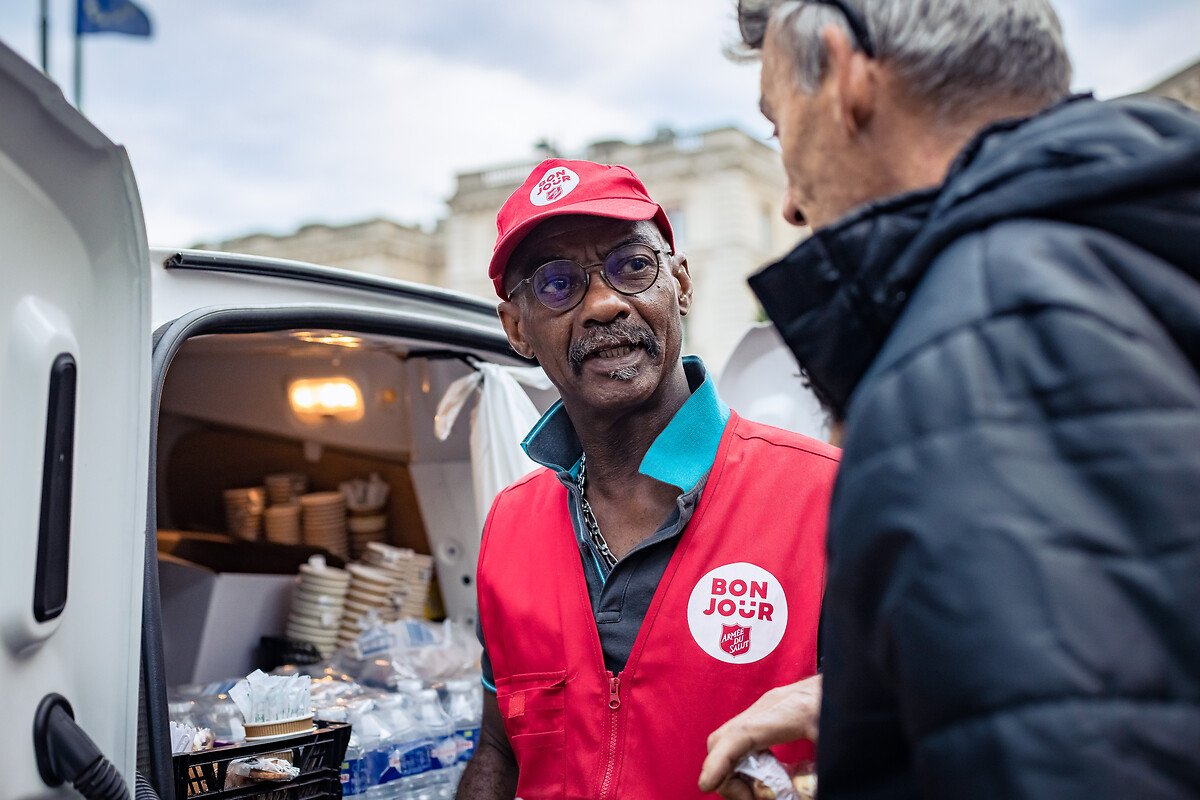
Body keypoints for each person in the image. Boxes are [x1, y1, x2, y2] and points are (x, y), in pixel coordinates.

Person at [700, 0, 1200, 798]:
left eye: (777, 125)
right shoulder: (1135, 247)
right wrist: (907, 700)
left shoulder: (981, 341)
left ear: (847, 76)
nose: (790, 201)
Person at [455, 158, 840, 800]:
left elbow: (929, 723)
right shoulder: (509, 526)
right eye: (556, 284)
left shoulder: (825, 497)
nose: (606, 304)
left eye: (633, 266)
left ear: (681, 285)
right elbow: (501, 748)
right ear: (517, 328)